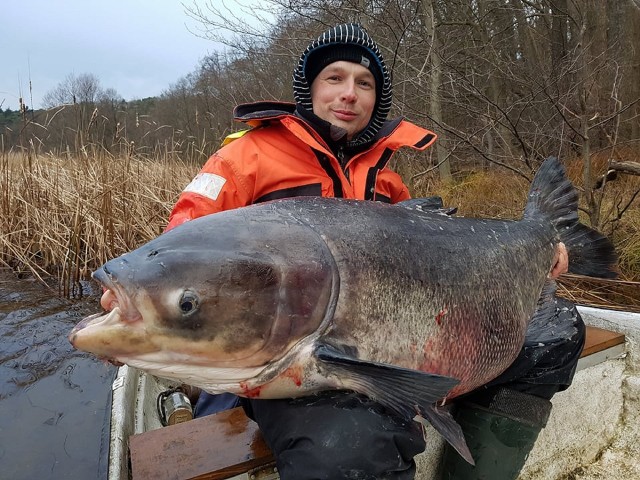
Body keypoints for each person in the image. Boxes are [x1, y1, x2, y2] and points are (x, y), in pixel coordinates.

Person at [166, 23, 581, 480]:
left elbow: (435, 274)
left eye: (364, 84)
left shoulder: (387, 181)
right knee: (350, 452)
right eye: (334, 78)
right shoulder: (245, 159)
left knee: (555, 339)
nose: (349, 94)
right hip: (287, 364)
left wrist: (536, 259)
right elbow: (184, 246)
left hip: (389, 349)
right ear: (310, 89)